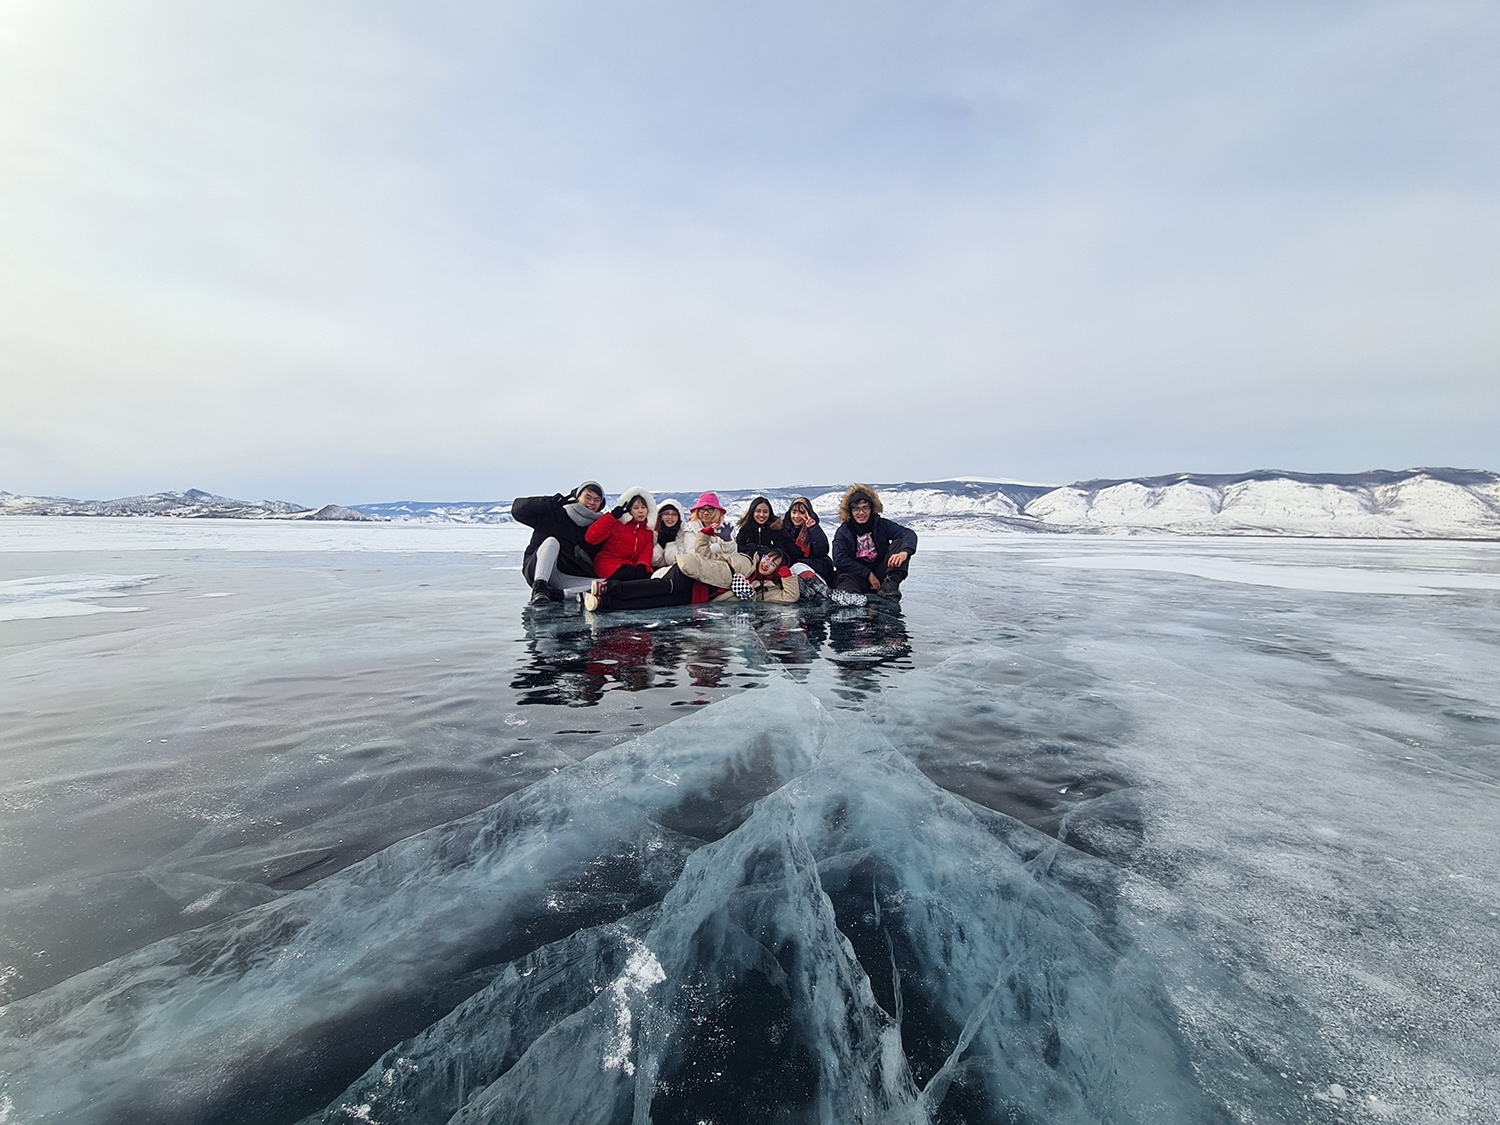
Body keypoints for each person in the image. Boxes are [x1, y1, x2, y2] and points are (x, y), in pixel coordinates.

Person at [513, 481, 606, 606]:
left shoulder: (598, 527)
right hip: (538, 570)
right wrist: (551, 502)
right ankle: (540, 588)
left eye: (597, 500)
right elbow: (518, 510)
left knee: (607, 584)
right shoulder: (555, 514)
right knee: (552, 542)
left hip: (565, 577)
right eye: (588, 497)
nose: (591, 503)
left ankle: (562, 594)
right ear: (577, 497)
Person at [831, 483, 918, 600]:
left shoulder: (881, 524)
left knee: (899, 542)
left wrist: (904, 552)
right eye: (856, 509)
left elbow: (907, 533)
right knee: (844, 580)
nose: (861, 513)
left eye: (865, 507)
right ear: (850, 511)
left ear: (871, 508)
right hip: (856, 576)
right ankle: (851, 600)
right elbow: (839, 559)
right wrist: (867, 574)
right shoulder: (844, 531)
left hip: (881, 574)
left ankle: (890, 586)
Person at [673, 492, 753, 594]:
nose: (705, 512)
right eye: (702, 509)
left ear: (716, 511)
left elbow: (732, 555)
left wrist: (727, 541)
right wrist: (717, 547)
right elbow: (692, 553)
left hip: (720, 568)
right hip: (699, 568)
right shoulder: (690, 528)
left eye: (710, 509)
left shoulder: (726, 528)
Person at [585, 487, 658, 582]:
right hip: (608, 563)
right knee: (627, 574)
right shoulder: (616, 524)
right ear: (628, 510)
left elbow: (646, 553)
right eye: (636, 508)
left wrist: (642, 565)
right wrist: (612, 517)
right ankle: (602, 591)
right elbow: (591, 538)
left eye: (643, 507)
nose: (641, 511)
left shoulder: (648, 532)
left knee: (646, 577)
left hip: (632, 566)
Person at [713, 546, 800, 603]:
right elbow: (712, 560)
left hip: (712, 602)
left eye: (773, 564)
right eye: (766, 558)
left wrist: (786, 575)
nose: (766, 564)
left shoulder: (768, 589)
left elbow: (791, 596)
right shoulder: (745, 562)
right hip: (707, 584)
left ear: (777, 571)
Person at [783, 495, 834, 585]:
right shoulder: (783, 530)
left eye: (802, 512)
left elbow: (822, 551)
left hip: (816, 566)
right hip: (793, 568)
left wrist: (813, 529)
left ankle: (821, 588)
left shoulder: (814, 528)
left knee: (798, 567)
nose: (797, 516)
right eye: (794, 512)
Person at [652, 499, 689, 571]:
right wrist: (661, 542)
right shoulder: (653, 534)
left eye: (674, 514)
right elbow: (652, 560)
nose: (670, 517)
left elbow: (680, 559)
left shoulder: (684, 535)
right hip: (654, 573)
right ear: (660, 516)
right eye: (666, 514)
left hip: (676, 574)